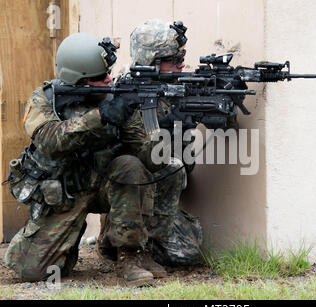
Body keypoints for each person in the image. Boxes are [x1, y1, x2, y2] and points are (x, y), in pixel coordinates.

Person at [4, 30, 202, 286]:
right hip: (63, 195)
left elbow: (147, 158)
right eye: (100, 78)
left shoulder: (116, 99)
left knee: (130, 166)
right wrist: (100, 117)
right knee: (33, 272)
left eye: (107, 72)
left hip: (107, 185)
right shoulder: (46, 99)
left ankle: (130, 255)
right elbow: (50, 140)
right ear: (80, 80)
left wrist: (167, 133)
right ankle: (71, 239)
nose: (110, 79)